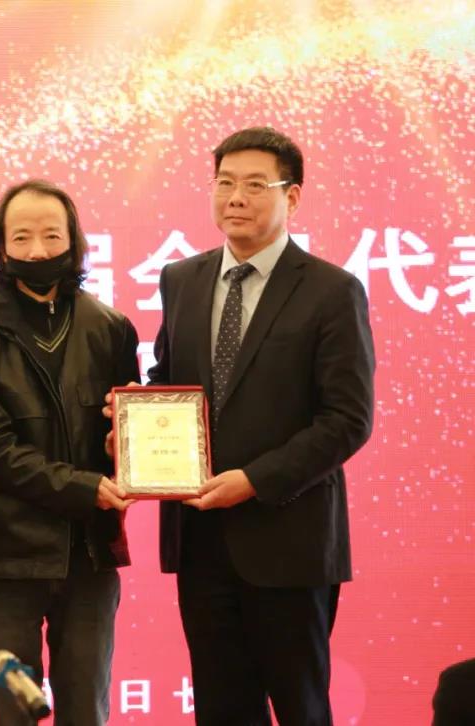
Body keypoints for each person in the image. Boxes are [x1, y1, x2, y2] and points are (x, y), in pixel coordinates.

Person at [145, 127, 375, 724]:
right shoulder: (181, 280)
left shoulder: (332, 290)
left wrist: (254, 480)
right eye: (224, 183)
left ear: (291, 196)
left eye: (254, 185)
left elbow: (347, 419)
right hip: (200, 538)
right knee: (221, 708)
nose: (236, 198)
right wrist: (136, 429)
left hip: (289, 539)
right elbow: (168, 381)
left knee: (301, 707)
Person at [0, 179, 140, 726]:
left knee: (86, 711)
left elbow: (130, 432)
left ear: (74, 241)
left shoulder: (112, 328)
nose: (37, 250)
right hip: (6, 562)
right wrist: (84, 487)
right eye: (21, 237)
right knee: (14, 714)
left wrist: (122, 451)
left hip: (90, 558)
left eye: (52, 235)